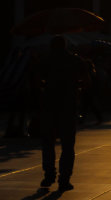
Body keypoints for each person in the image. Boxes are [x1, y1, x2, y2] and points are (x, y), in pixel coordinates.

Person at [38, 35, 89, 191]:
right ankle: (64, 179)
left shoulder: (45, 60)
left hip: (49, 105)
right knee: (67, 145)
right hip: (68, 105)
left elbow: (37, 80)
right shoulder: (75, 60)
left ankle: (49, 175)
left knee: (48, 142)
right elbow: (87, 81)